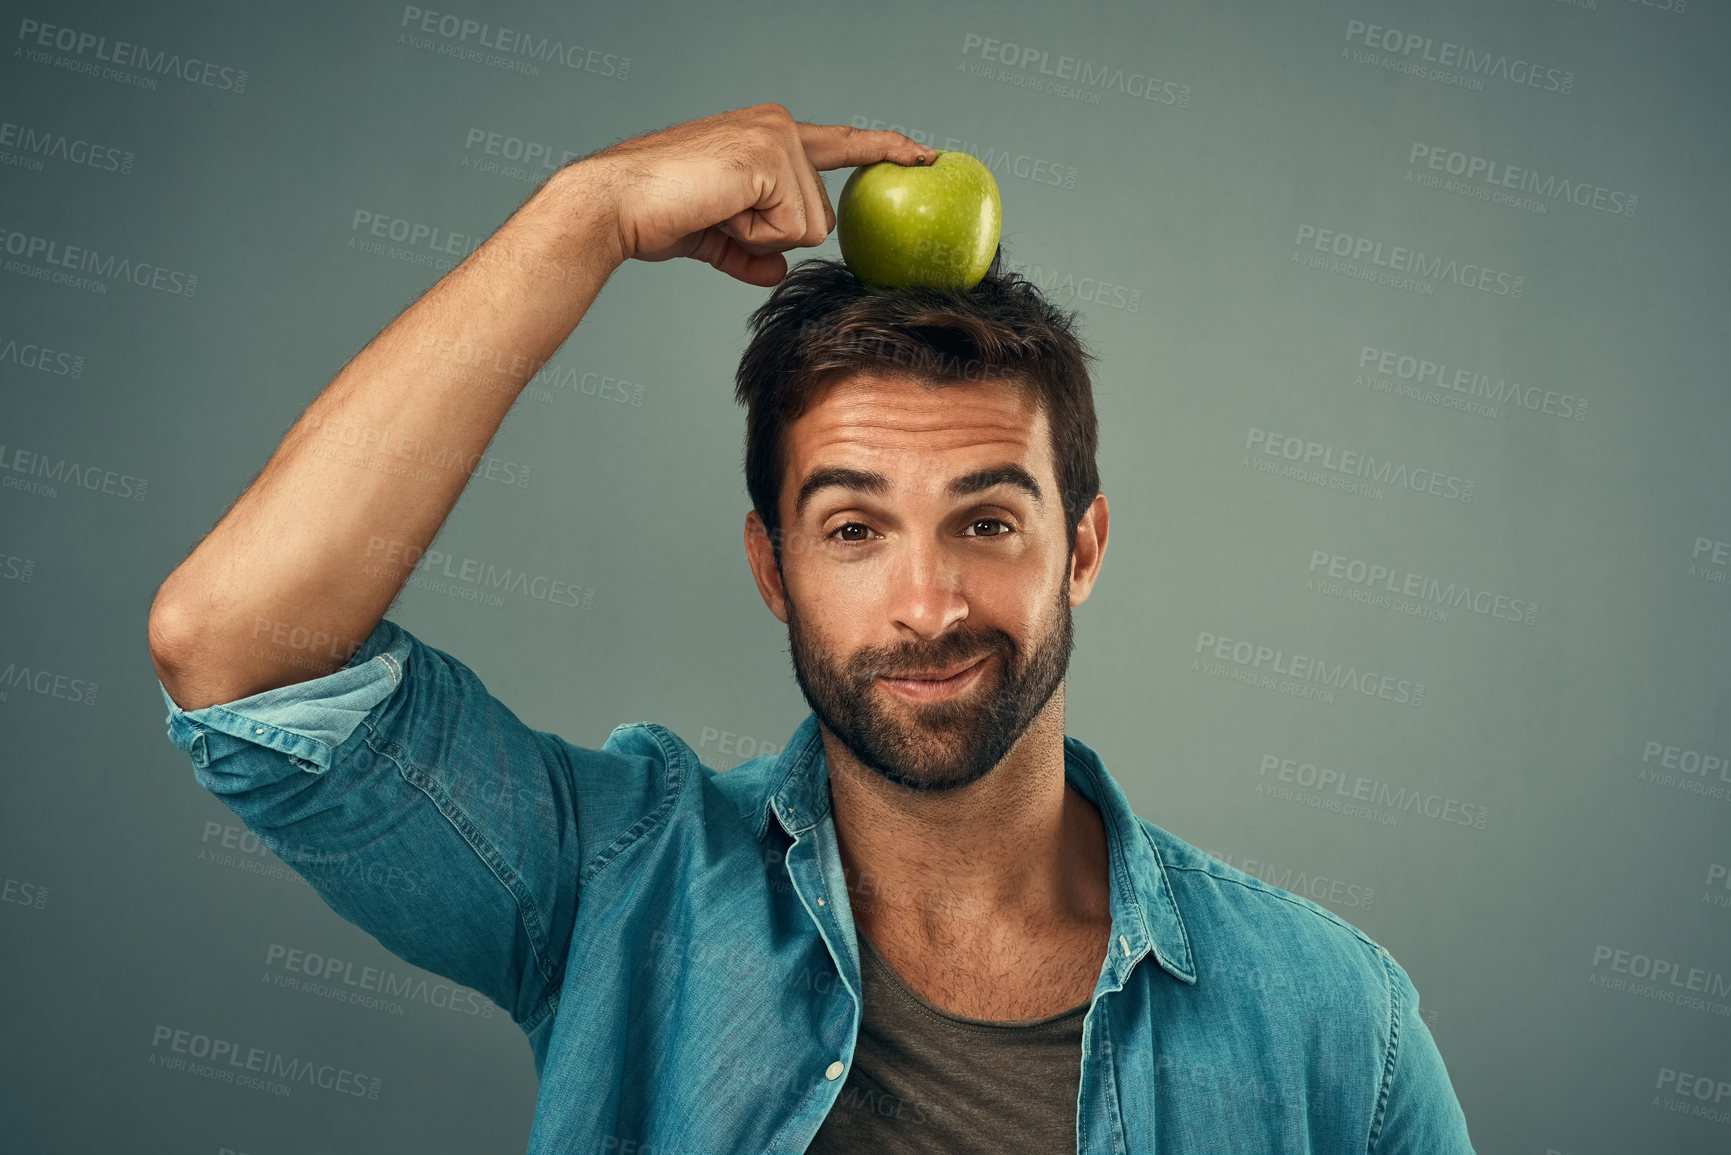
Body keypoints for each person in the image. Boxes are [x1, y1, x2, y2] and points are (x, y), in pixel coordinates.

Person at [148, 103, 1475, 1154]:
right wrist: (587, 215)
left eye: (989, 520)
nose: (928, 602)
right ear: (772, 567)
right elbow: (237, 649)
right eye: (852, 528)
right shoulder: (619, 888)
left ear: (1082, 545)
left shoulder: (1337, 1029)